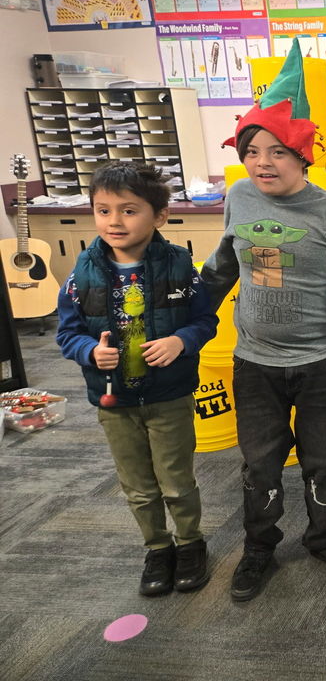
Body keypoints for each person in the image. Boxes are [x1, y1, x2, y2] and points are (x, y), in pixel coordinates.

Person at [201, 39, 326, 601]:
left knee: (322, 461)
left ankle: (323, 537)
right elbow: (222, 265)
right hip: (254, 362)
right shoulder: (238, 196)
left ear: (303, 156)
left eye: (278, 152)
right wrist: (184, 316)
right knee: (259, 464)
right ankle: (259, 547)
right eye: (252, 150)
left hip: (322, 364)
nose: (262, 162)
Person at [56, 161, 218, 597]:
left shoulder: (181, 266)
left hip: (169, 395)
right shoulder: (80, 275)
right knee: (139, 487)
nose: (114, 221)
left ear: (159, 216)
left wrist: (182, 341)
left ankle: (190, 544)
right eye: (103, 210)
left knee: (177, 480)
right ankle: (157, 548)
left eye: (129, 211)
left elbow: (205, 320)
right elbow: (67, 333)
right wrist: (90, 351)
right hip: (114, 401)